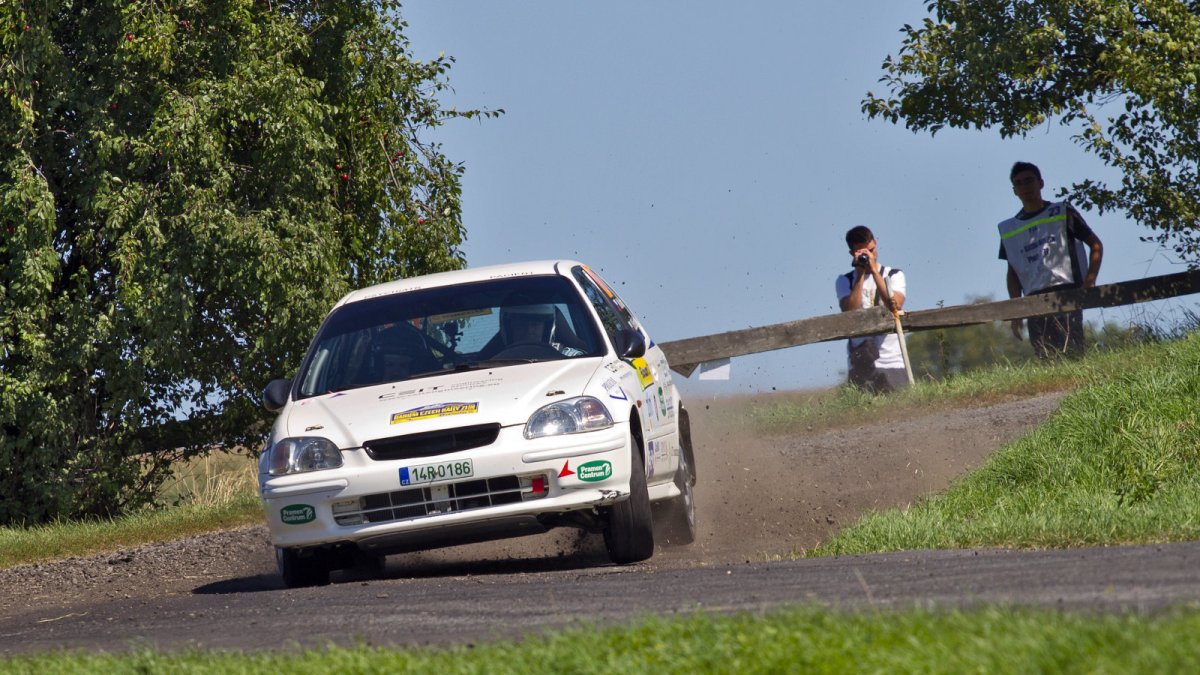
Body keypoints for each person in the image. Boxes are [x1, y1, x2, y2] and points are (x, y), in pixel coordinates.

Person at [999, 161, 1103, 358]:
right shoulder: (1010, 229)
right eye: (1019, 183)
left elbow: (1096, 245)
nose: (1025, 187)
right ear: (1015, 191)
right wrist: (1015, 310)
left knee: (1072, 352)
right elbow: (1012, 272)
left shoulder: (1062, 212)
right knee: (1044, 356)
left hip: (1067, 292)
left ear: (1041, 183)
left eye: (1029, 180)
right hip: (1033, 299)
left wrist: (1090, 282)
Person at [836, 225, 908, 393]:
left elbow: (895, 305)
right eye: (862, 253)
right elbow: (849, 312)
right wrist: (860, 275)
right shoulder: (845, 281)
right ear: (852, 254)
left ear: (875, 244)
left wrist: (875, 272)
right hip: (860, 362)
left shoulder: (893, 275)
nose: (869, 256)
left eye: (871, 250)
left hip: (892, 361)